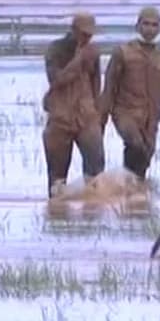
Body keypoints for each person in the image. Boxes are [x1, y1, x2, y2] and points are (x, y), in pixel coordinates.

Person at [97, 7, 160, 179]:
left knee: (146, 154)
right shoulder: (123, 52)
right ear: (137, 26)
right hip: (125, 112)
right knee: (135, 145)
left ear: (159, 28)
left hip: (151, 116)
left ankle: (133, 191)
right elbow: (110, 84)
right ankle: (129, 184)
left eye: (154, 25)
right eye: (146, 24)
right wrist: (102, 116)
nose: (150, 29)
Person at [41, 12, 105, 197]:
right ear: (73, 30)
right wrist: (79, 59)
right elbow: (57, 80)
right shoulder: (56, 49)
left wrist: (96, 112)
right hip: (60, 116)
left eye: (90, 34)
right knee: (57, 177)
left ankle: (92, 212)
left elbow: (95, 84)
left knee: (96, 169)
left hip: (86, 115)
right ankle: (57, 215)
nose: (88, 38)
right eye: (84, 34)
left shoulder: (92, 52)